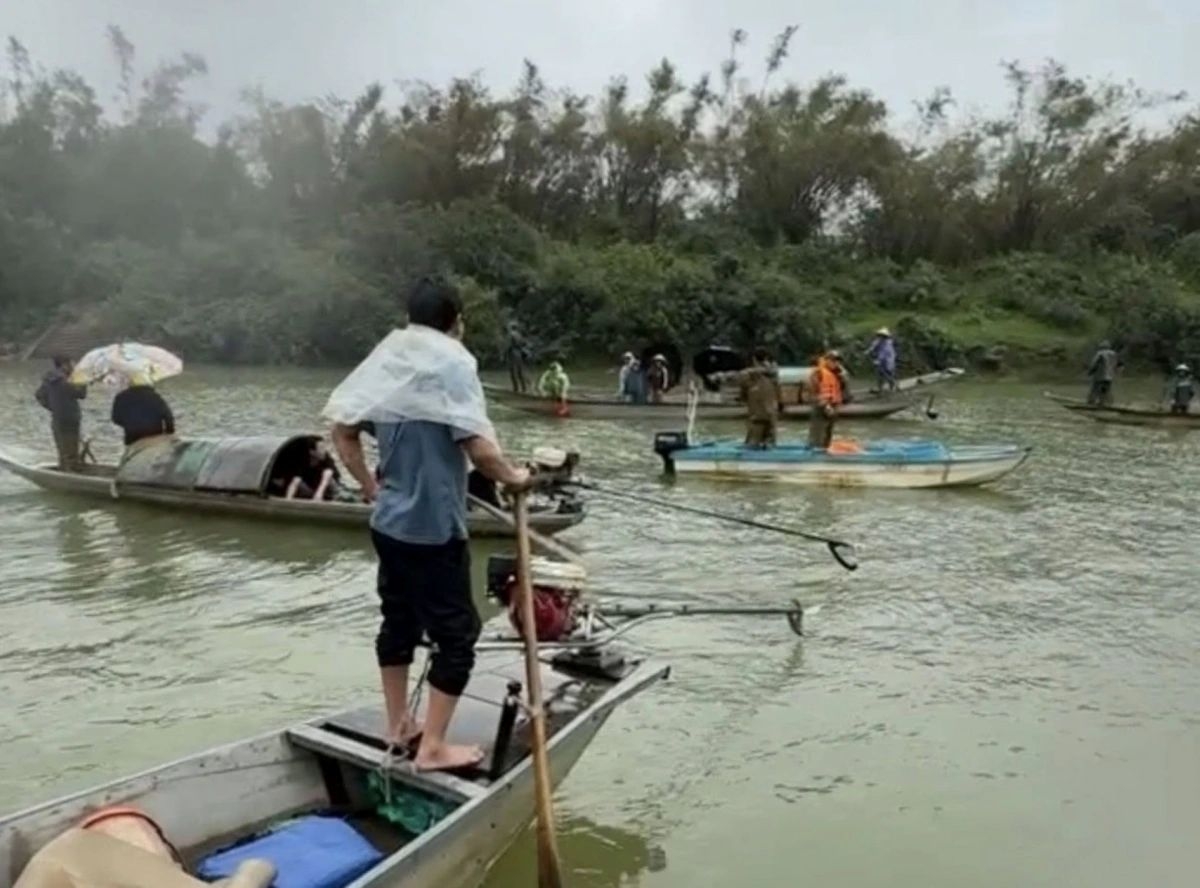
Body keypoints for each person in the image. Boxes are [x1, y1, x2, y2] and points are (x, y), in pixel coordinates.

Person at [326, 276, 530, 773]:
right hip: (434, 529)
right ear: (456, 320)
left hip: (389, 523)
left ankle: (399, 724)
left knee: (398, 622)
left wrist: (369, 488)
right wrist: (516, 478)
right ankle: (433, 747)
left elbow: (341, 429)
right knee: (458, 635)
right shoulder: (452, 365)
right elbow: (480, 450)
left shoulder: (390, 365)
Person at [35, 354, 88, 471]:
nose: (73, 366)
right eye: (71, 363)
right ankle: (72, 475)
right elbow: (81, 394)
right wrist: (83, 381)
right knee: (72, 451)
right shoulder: (66, 380)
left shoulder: (48, 379)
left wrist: (53, 407)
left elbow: (39, 395)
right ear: (65, 365)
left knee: (63, 450)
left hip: (57, 418)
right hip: (71, 418)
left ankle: (64, 471)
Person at [111, 377, 175, 450]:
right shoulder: (155, 396)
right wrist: (169, 434)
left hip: (132, 438)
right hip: (155, 435)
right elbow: (168, 416)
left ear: (130, 383)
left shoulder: (120, 397)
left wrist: (128, 424)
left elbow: (115, 418)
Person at [738, 347, 782, 448]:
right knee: (770, 442)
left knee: (753, 443)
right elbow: (778, 390)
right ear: (766, 358)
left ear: (754, 359)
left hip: (756, 414)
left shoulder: (747, 374)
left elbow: (743, 394)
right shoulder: (774, 373)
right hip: (771, 412)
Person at [807, 350, 846, 449]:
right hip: (821, 407)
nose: (836, 363)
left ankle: (825, 450)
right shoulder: (818, 373)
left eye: (838, 361)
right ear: (827, 360)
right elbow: (815, 392)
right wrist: (825, 405)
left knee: (828, 434)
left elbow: (843, 390)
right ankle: (814, 452)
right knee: (818, 433)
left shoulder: (837, 374)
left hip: (833, 406)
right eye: (833, 361)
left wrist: (843, 377)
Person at [1086, 340, 1121, 406]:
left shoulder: (1100, 353)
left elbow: (1094, 364)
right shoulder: (1114, 354)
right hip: (1110, 376)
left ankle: (1091, 402)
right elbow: (1118, 364)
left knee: (1095, 388)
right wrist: (1116, 372)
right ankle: (1105, 403)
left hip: (1100, 375)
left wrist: (1090, 371)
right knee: (1106, 389)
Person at [866, 327, 897, 393]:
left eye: (881, 335)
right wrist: (868, 351)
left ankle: (892, 387)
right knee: (879, 375)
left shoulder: (888, 343)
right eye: (879, 335)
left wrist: (878, 360)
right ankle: (880, 389)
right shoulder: (878, 341)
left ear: (885, 336)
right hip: (881, 360)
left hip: (888, 360)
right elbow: (873, 346)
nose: (879, 336)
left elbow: (884, 353)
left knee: (889, 374)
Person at [504, 321, 529, 393]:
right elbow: (524, 343)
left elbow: (508, 346)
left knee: (513, 372)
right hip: (519, 353)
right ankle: (524, 388)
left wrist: (504, 354)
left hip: (512, 354)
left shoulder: (510, 335)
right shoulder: (519, 335)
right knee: (520, 371)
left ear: (511, 327)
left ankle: (516, 389)